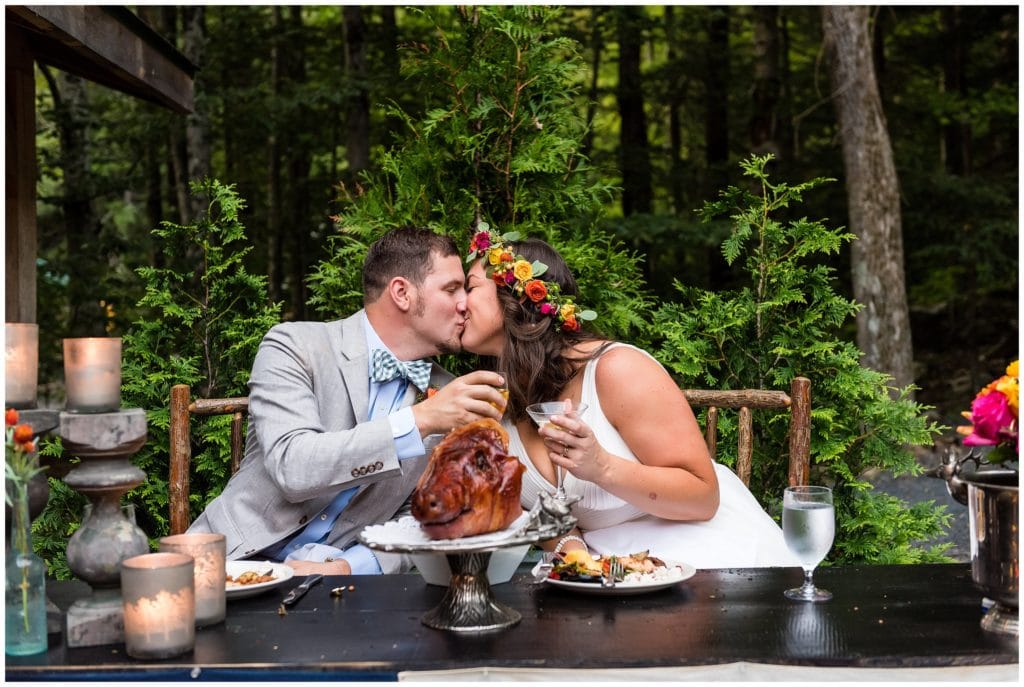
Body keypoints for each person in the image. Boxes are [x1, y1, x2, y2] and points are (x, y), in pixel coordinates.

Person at [460, 228, 796, 568]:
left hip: (712, 558)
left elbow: (703, 497)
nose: (457, 303)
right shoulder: (491, 400)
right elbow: (541, 510)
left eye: (468, 287)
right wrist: (573, 551)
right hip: (615, 574)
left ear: (516, 298)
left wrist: (601, 467)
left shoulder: (615, 370)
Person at [189, 227, 507, 575]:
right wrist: (419, 421)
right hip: (227, 566)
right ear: (401, 293)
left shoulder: (447, 393)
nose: (465, 303)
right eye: (451, 289)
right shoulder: (295, 347)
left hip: (336, 590)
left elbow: (421, 517)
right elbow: (292, 465)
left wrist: (350, 566)